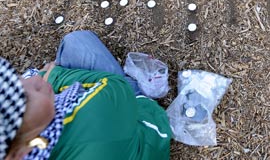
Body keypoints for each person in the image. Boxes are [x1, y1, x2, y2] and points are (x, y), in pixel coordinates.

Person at [0, 30, 171, 160]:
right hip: (145, 132)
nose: (34, 80)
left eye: (17, 79)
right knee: (76, 42)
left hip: (111, 128)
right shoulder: (93, 116)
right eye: (27, 98)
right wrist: (54, 75)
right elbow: (113, 85)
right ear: (17, 153)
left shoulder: (20, 145)